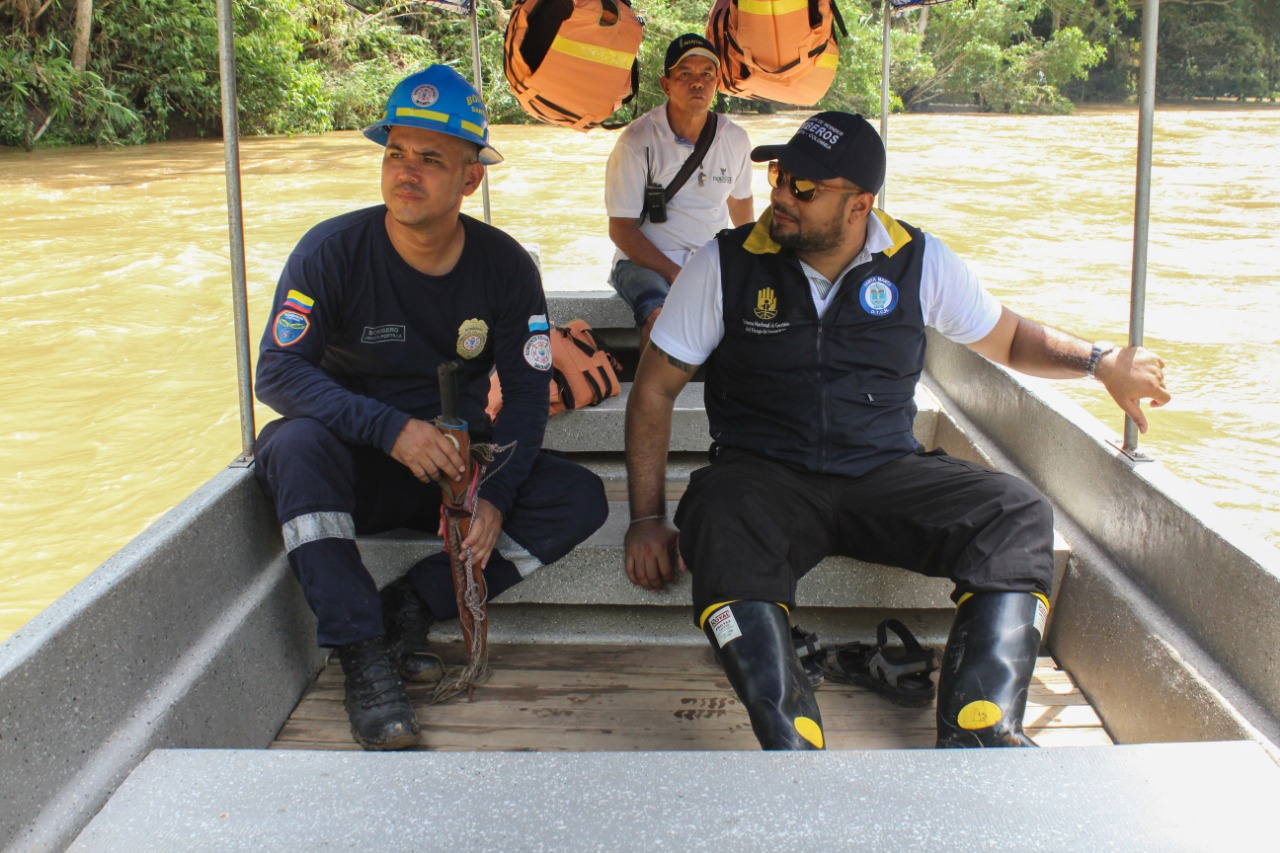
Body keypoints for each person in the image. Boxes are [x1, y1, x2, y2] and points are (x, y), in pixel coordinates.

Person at [622, 111, 1170, 751]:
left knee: (1018, 512)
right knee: (716, 512)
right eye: (779, 176)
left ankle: (980, 730)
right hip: (764, 478)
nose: (780, 196)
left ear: (859, 205)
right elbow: (655, 389)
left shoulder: (919, 260)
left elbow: (1012, 339)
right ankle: (791, 737)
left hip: (883, 472)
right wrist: (644, 518)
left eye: (805, 188)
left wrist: (1100, 363)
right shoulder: (726, 263)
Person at [253, 65, 608, 751]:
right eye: (395, 153)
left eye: (430, 159)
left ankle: (410, 605)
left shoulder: (505, 267)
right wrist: (388, 429)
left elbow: (529, 393)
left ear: (471, 180)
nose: (405, 172)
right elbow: (278, 370)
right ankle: (362, 654)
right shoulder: (331, 253)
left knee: (579, 498)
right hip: (352, 465)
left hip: (453, 470)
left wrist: (496, 492)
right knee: (291, 447)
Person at [605, 33, 755, 354]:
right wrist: (675, 273)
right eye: (685, 74)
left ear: (717, 83)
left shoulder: (736, 139)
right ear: (666, 85)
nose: (697, 83)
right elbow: (621, 229)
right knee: (660, 317)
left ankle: (732, 399)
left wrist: (749, 263)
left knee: (758, 312)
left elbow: (741, 206)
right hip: (643, 262)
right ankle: (652, 402)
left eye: (706, 74)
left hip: (710, 256)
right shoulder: (636, 142)